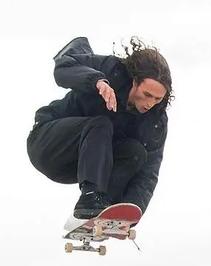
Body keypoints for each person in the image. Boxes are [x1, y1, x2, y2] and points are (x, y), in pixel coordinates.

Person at [27, 36, 172, 220]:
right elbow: (64, 66)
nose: (150, 103)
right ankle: (90, 199)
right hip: (47, 144)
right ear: (134, 82)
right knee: (101, 125)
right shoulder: (112, 70)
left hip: (79, 165)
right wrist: (96, 81)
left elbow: (149, 172)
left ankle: (105, 208)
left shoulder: (155, 121)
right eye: (147, 94)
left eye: (157, 99)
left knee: (135, 153)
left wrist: (131, 212)